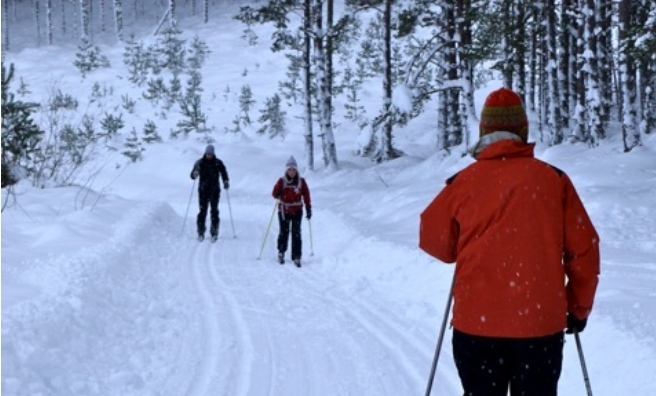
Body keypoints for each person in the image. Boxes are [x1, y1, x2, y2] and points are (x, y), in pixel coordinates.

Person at [419, 87, 600, 396]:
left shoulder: (463, 183)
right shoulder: (553, 180)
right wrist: (578, 309)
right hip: (539, 327)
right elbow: (584, 250)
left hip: (476, 326)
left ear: (484, 131)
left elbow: (435, 241)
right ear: (522, 130)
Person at [272, 156, 311, 267]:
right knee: (283, 232)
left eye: (293, 169)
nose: (292, 172)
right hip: (284, 210)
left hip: (297, 210)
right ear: (286, 170)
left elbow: (306, 195)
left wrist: (308, 208)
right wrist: (278, 192)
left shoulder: (301, 182)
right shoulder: (282, 181)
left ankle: (297, 256)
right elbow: (274, 194)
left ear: (296, 170)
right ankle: (281, 252)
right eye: (289, 169)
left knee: (296, 233)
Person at [190, 144, 229, 242]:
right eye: (207, 154)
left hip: (215, 190)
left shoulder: (218, 162)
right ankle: (200, 232)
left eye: (210, 154)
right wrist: (195, 174)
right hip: (203, 191)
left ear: (213, 153)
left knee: (214, 211)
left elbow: (224, 173)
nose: (209, 155)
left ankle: (214, 232)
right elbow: (192, 176)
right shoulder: (200, 163)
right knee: (202, 212)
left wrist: (225, 181)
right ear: (205, 153)